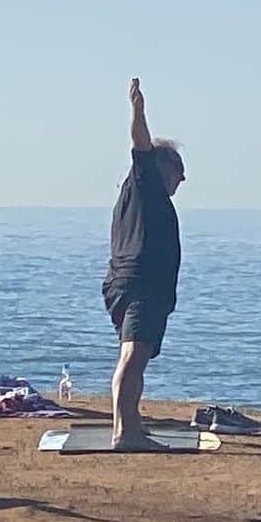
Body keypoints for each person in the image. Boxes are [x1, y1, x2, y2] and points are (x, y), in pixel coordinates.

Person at [102, 78, 186, 450]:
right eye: (178, 173)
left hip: (134, 283)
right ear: (162, 167)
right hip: (139, 285)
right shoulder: (145, 179)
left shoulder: (136, 194)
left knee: (136, 354)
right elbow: (140, 145)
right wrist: (138, 109)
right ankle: (125, 432)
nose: (180, 181)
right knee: (133, 356)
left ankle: (131, 422)